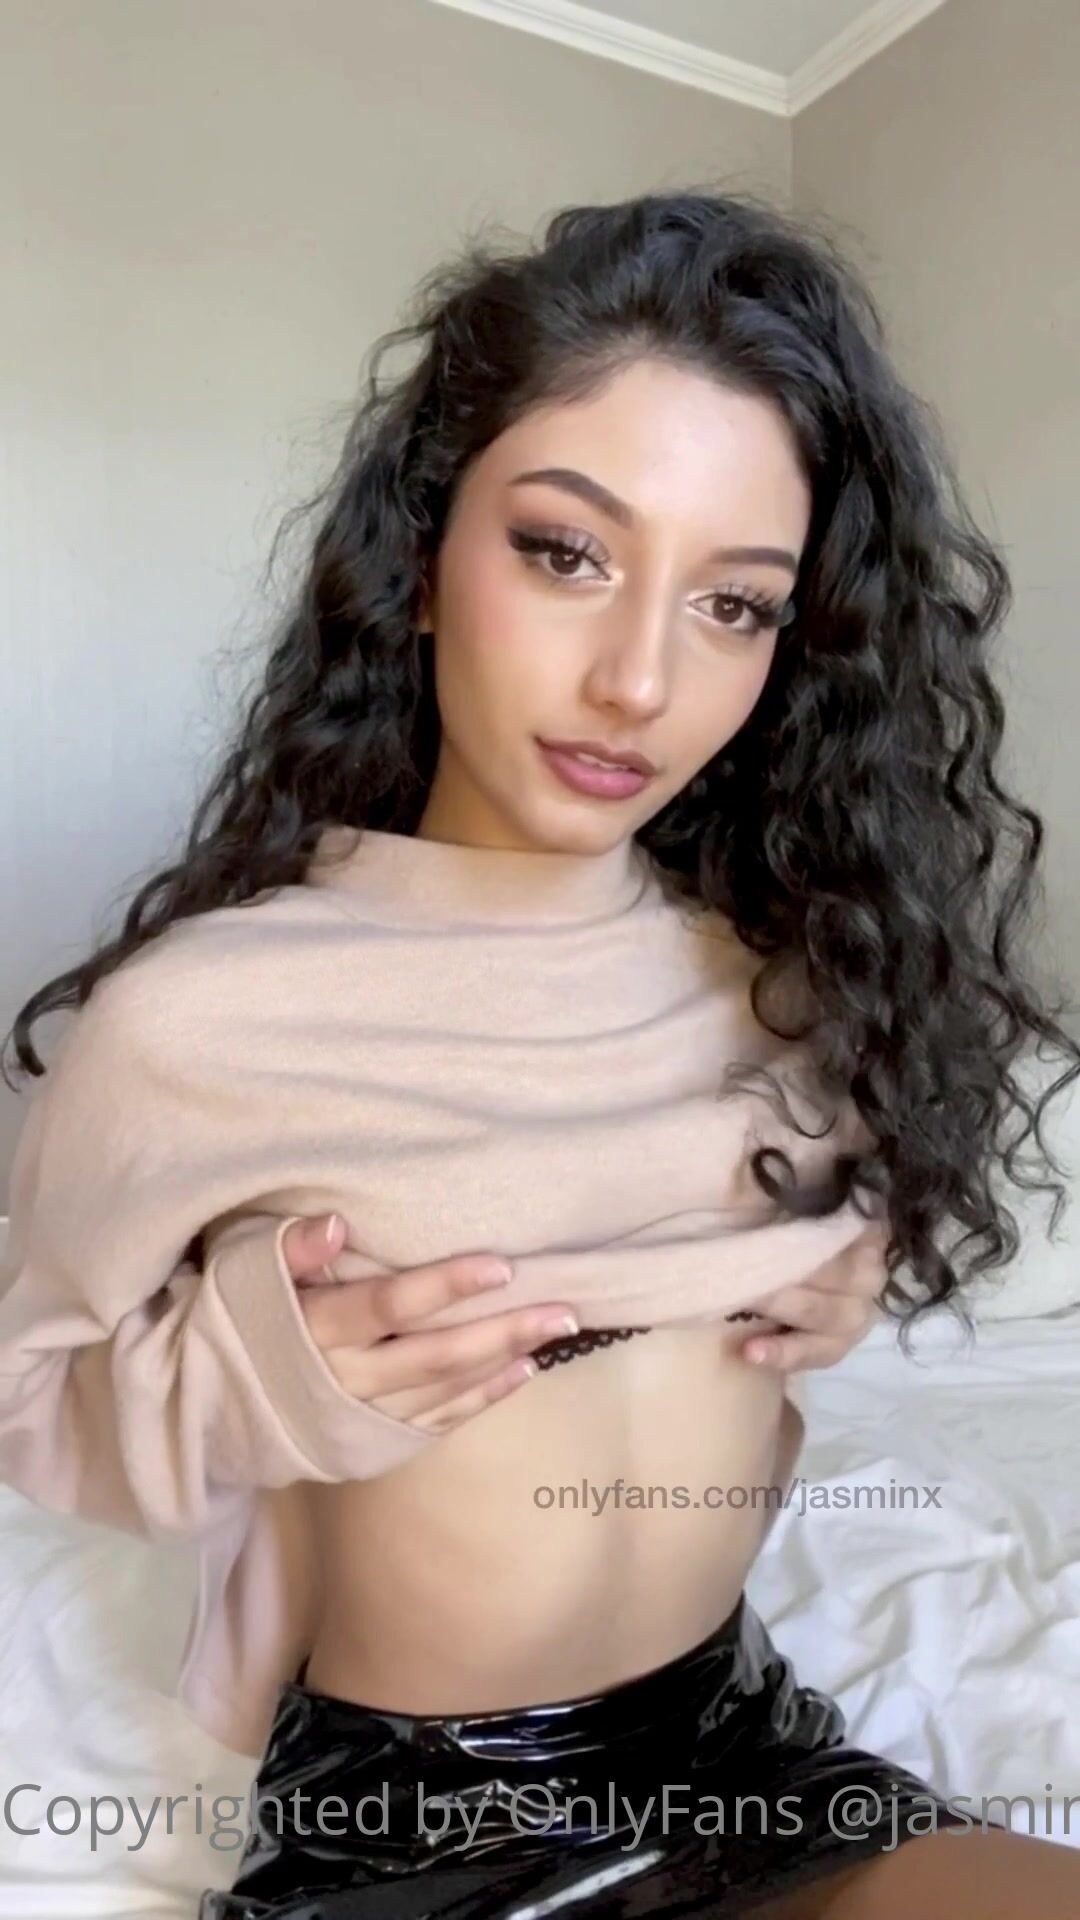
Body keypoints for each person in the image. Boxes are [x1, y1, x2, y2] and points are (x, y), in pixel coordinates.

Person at [1, 187, 1078, 1917]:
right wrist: (265, 1367)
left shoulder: (779, 975)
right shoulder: (200, 1016)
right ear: (424, 564)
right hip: (417, 1830)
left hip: (742, 1748)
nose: (640, 681)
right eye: (566, 553)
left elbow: (809, 1223)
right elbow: (30, 1399)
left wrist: (841, 1275)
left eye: (735, 606)